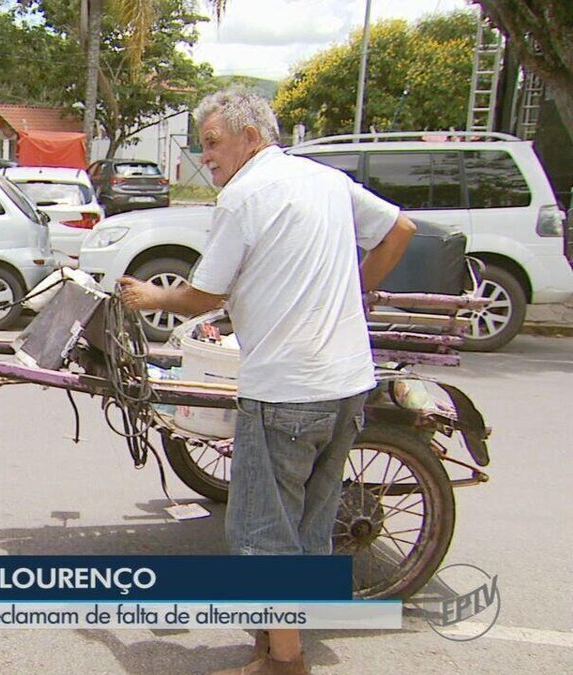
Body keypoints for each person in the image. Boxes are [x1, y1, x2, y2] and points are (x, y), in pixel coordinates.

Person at [118, 89, 416, 675]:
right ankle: (274, 643)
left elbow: (204, 295)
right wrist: (355, 294)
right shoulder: (324, 180)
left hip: (287, 392)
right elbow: (399, 229)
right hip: (347, 383)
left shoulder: (243, 196)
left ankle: (285, 663)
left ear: (250, 135)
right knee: (307, 528)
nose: (206, 157)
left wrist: (151, 294)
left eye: (212, 143)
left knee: (261, 534)